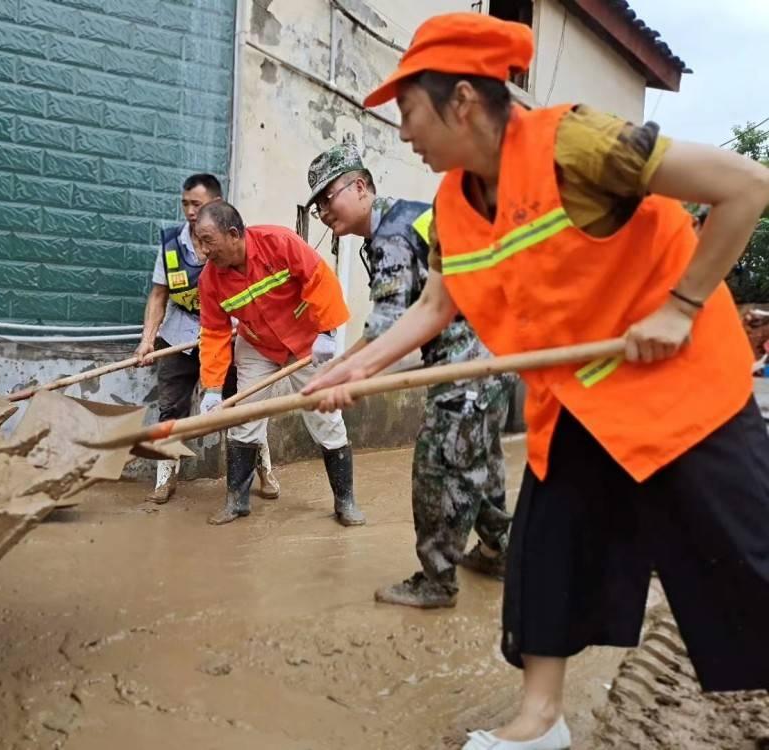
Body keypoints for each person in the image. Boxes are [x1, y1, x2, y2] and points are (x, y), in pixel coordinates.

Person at [304, 12, 769, 750]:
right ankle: (539, 722)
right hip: (579, 399)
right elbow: (433, 306)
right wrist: (351, 371)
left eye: (409, 111)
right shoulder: (454, 203)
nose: (402, 132)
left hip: (678, 384)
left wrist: (682, 307)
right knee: (544, 555)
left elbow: (746, 185)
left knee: (745, 551)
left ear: (461, 101)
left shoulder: (575, 144)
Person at [305, 137, 514, 607]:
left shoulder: (392, 237)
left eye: (327, 196)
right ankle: (500, 551)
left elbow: (388, 329)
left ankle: (437, 582)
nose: (322, 211)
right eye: (316, 204)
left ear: (360, 187)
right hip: (488, 361)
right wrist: (343, 368)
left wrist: (343, 376)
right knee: (479, 462)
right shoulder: (409, 215)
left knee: (437, 470)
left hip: (466, 366)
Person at [194, 200, 366, 527]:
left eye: (207, 241)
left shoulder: (279, 243)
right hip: (257, 345)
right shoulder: (210, 281)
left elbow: (321, 281)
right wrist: (213, 389)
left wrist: (327, 332)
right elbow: (215, 333)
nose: (203, 252)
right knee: (245, 417)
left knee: (325, 417)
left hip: (307, 342)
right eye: (199, 242)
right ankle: (236, 502)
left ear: (233, 234)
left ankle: (345, 501)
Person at [135, 174, 279, 504]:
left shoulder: (231, 244)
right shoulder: (171, 244)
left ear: (215, 205)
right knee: (170, 408)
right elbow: (159, 295)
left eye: (196, 204)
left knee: (243, 409)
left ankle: (264, 469)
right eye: (184, 203)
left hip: (226, 337)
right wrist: (147, 339)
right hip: (177, 338)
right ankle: (165, 476)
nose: (188, 211)